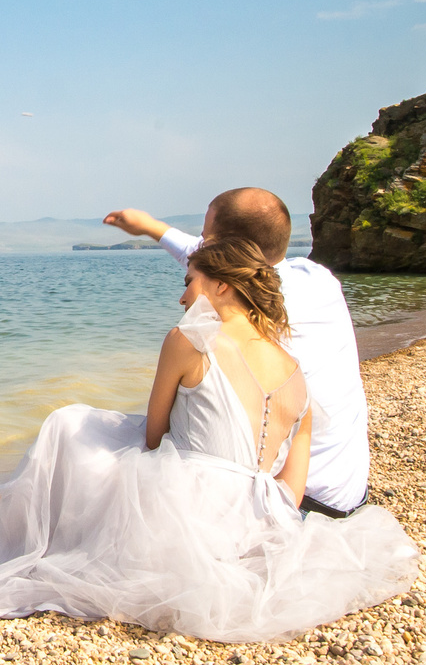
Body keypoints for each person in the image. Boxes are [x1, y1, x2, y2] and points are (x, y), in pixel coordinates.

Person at [0, 238, 419, 643]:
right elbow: (291, 486)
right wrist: (265, 522)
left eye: (189, 282)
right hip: (260, 511)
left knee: (70, 424)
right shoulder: (295, 373)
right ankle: (23, 528)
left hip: (191, 499)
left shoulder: (190, 338)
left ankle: (19, 533)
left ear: (220, 286)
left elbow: (154, 436)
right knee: (92, 435)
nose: (182, 297)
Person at [103, 189, 373, 518]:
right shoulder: (318, 279)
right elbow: (211, 265)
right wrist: (151, 227)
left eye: (206, 238)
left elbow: (155, 440)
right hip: (345, 492)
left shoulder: (234, 323)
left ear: (230, 252)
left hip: (290, 505)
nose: (201, 244)